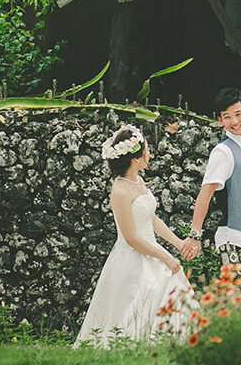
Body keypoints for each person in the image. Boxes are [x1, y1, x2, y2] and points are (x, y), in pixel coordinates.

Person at [75, 124, 192, 348]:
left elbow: (151, 218)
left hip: (152, 249)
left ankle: (171, 344)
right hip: (132, 255)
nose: (149, 154)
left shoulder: (138, 181)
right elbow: (130, 237)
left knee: (171, 290)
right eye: (146, 149)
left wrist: (178, 243)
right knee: (139, 301)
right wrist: (164, 257)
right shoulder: (120, 191)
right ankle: (135, 346)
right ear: (136, 157)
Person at [180, 88, 241, 273]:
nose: (234, 122)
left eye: (238, 114)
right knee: (239, 299)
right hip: (233, 239)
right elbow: (206, 193)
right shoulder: (223, 152)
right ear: (220, 120)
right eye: (227, 117)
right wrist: (194, 234)